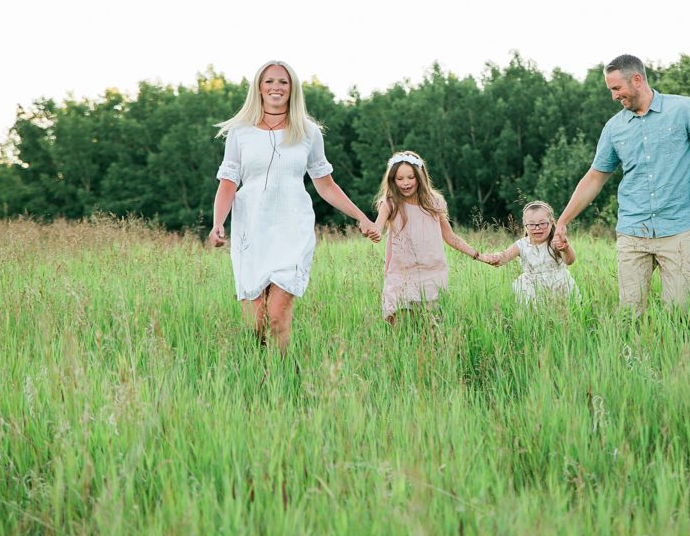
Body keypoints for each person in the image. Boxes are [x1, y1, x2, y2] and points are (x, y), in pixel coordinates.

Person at [554, 54, 690, 314]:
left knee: (677, 312)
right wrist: (564, 220)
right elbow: (595, 177)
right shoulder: (614, 128)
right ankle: (634, 355)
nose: (613, 96)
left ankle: (678, 355)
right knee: (629, 313)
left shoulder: (684, 109)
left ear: (637, 80)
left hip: (679, 227)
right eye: (610, 89)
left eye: (616, 88)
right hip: (633, 229)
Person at [208, 60, 380, 353]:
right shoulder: (240, 132)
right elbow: (227, 183)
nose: (276, 87)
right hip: (252, 230)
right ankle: (260, 379)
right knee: (256, 323)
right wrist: (217, 223)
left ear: (293, 89)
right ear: (259, 88)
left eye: (283, 82)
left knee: (276, 315)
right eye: (270, 81)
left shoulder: (308, 132)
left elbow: (325, 185)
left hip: (292, 229)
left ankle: (284, 376)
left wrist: (361, 217)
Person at [372, 151, 490, 324]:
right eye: (399, 178)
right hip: (401, 273)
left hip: (431, 272)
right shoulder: (390, 203)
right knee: (399, 324)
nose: (405, 183)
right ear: (392, 180)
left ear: (420, 177)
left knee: (430, 327)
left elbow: (450, 237)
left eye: (411, 177)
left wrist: (478, 255)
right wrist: (373, 231)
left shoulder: (435, 203)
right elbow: (378, 225)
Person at [481, 200, 580, 304]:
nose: (537, 228)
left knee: (563, 313)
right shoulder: (521, 245)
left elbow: (570, 261)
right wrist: (487, 257)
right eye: (532, 224)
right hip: (532, 288)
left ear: (551, 222)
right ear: (525, 225)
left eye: (542, 223)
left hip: (559, 284)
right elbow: (503, 257)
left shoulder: (555, 241)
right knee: (536, 315)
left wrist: (566, 249)